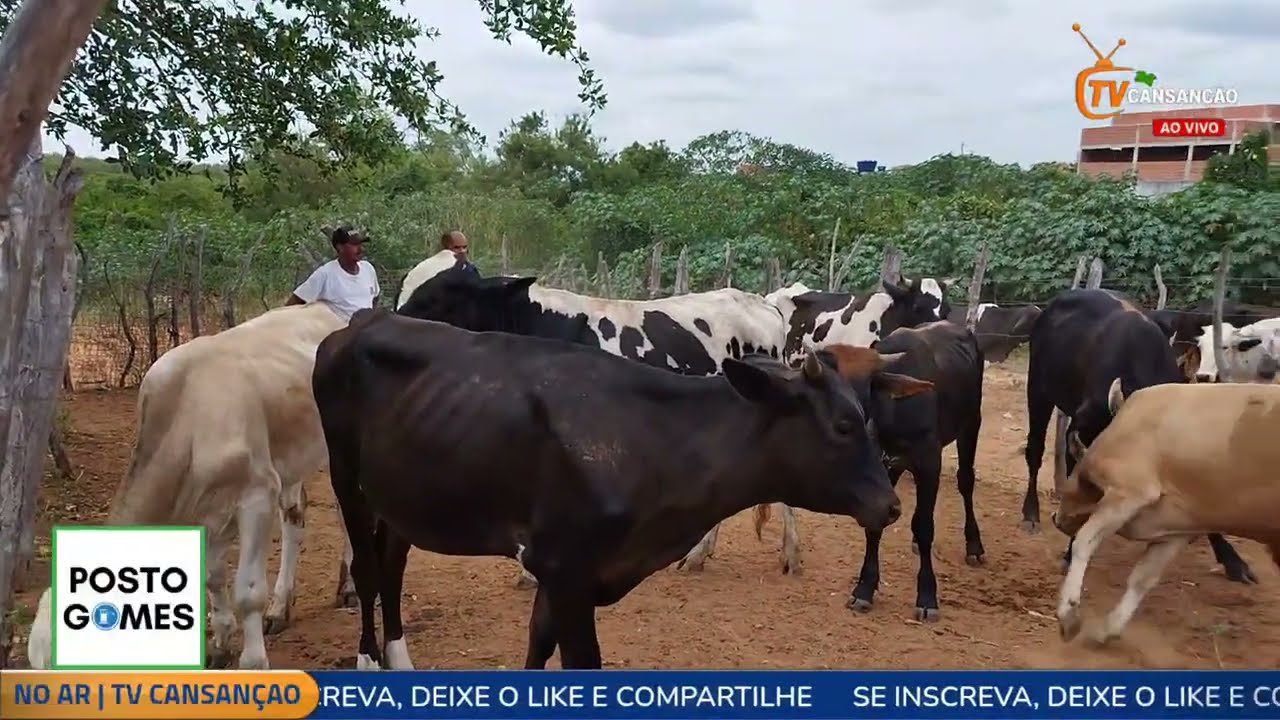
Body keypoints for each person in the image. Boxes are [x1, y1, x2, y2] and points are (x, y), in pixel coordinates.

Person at [286, 225, 381, 322]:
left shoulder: (368, 269)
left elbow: (375, 297)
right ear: (340, 248)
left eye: (361, 244)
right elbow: (295, 302)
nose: (360, 249)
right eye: (354, 245)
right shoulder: (325, 274)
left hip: (366, 332)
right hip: (340, 334)